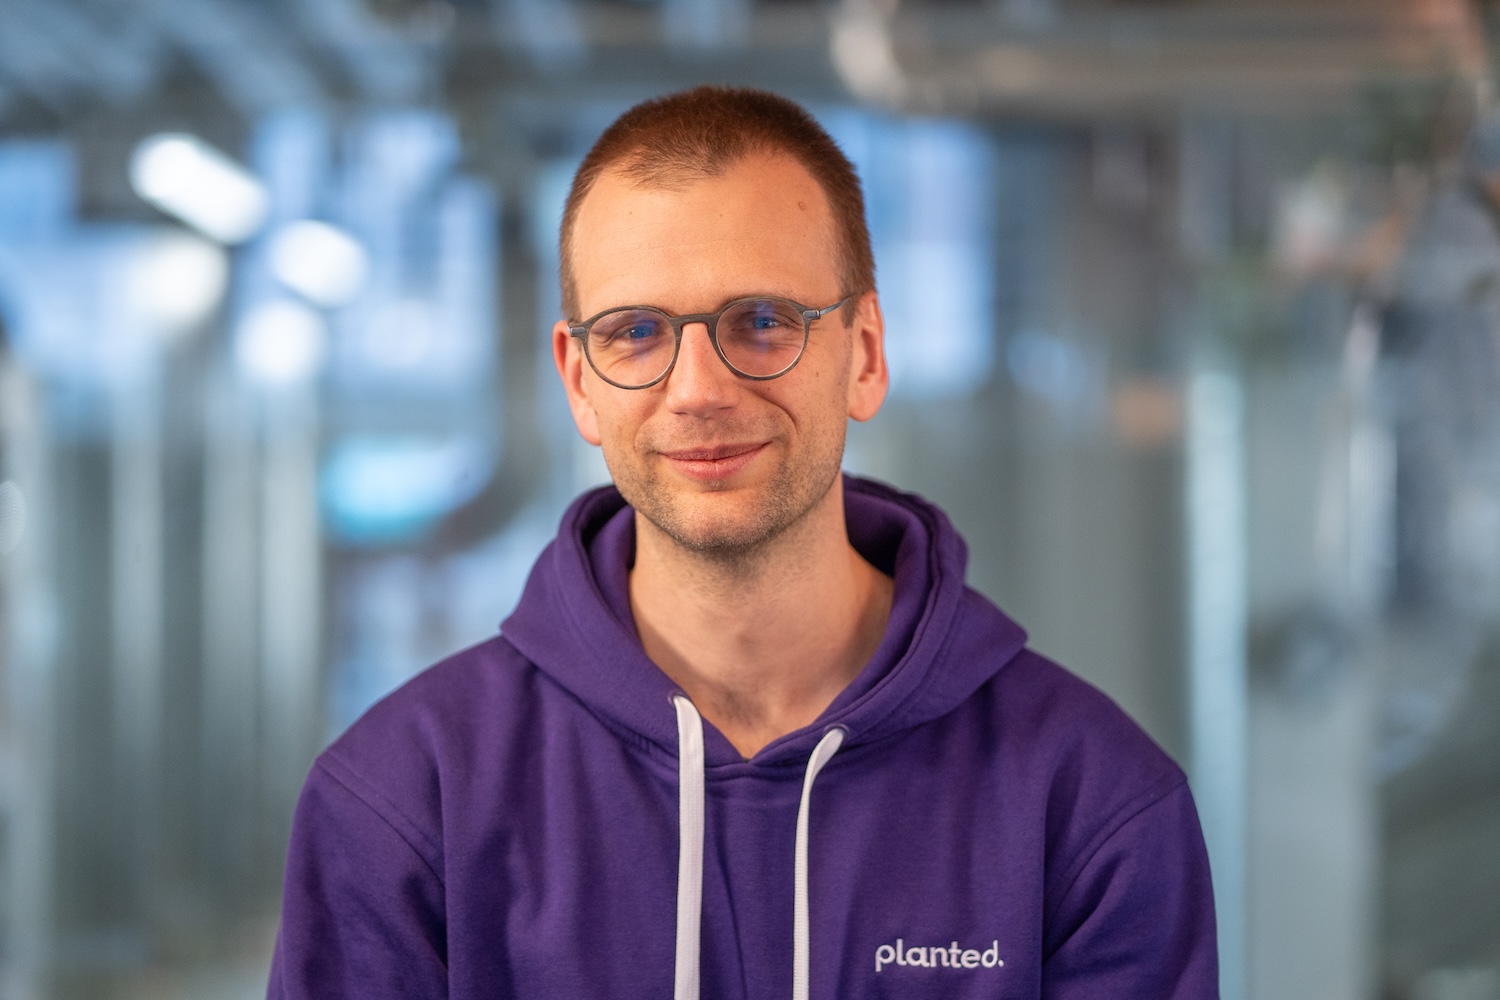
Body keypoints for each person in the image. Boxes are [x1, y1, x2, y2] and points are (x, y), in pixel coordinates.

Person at [268, 86, 1218, 999]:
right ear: (579, 381)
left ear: (867, 354)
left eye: (760, 323)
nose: (697, 390)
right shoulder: (405, 800)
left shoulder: (1089, 807)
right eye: (636, 333)